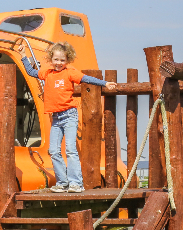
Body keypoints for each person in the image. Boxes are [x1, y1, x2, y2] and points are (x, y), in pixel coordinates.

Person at [17, 40, 116, 193]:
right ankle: (62, 182)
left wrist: (104, 83)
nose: (59, 63)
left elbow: (86, 79)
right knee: (54, 150)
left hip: (69, 115)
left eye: (62, 60)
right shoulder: (47, 73)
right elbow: (31, 72)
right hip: (56, 118)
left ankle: (76, 183)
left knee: (70, 149)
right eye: (56, 60)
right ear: (51, 59)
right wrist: (23, 55)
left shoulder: (70, 72)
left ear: (67, 60)